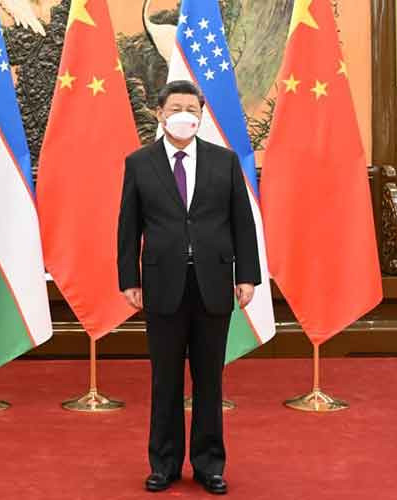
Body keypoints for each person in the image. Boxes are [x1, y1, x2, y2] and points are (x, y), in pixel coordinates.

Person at [117, 80, 260, 495]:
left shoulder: (224, 161)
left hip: (213, 283)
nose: (184, 115)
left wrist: (246, 275)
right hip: (162, 284)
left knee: (209, 380)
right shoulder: (140, 163)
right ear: (160, 113)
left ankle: (209, 464)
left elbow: (242, 223)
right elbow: (128, 227)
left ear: (201, 115)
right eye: (175, 108)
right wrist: (129, 279)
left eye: (192, 109)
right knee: (165, 380)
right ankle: (163, 464)